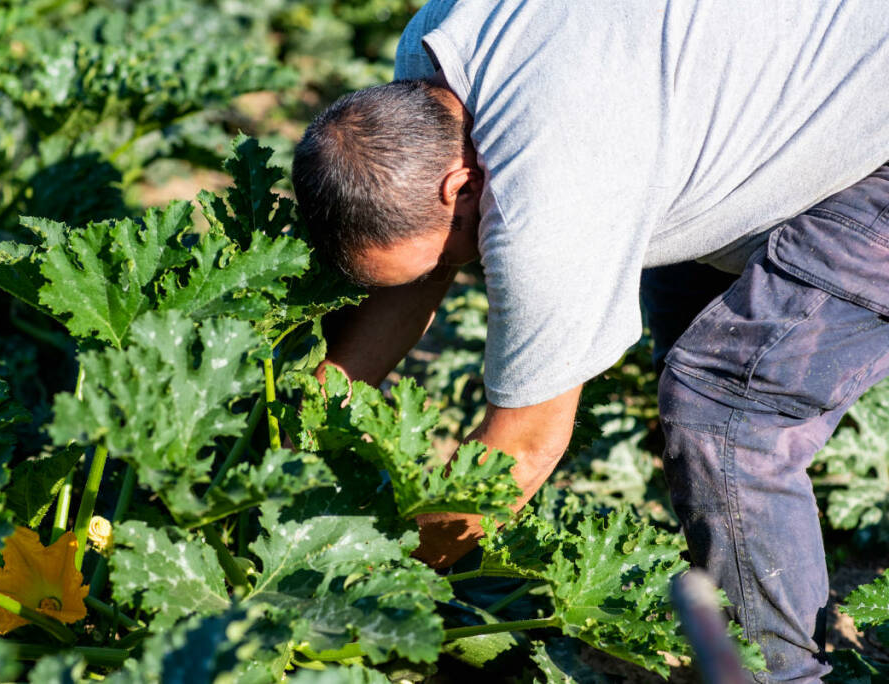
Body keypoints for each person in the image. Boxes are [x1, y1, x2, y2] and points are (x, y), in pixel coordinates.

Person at [290, 1, 889, 681]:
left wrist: (355, 589)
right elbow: (407, 283)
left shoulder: (548, 192)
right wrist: (296, 444)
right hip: (779, 75)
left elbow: (522, 447)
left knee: (723, 411)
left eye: (434, 257)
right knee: (694, 345)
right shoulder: (431, 57)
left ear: (461, 185)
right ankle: (743, 603)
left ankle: (772, 676)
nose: (437, 274)